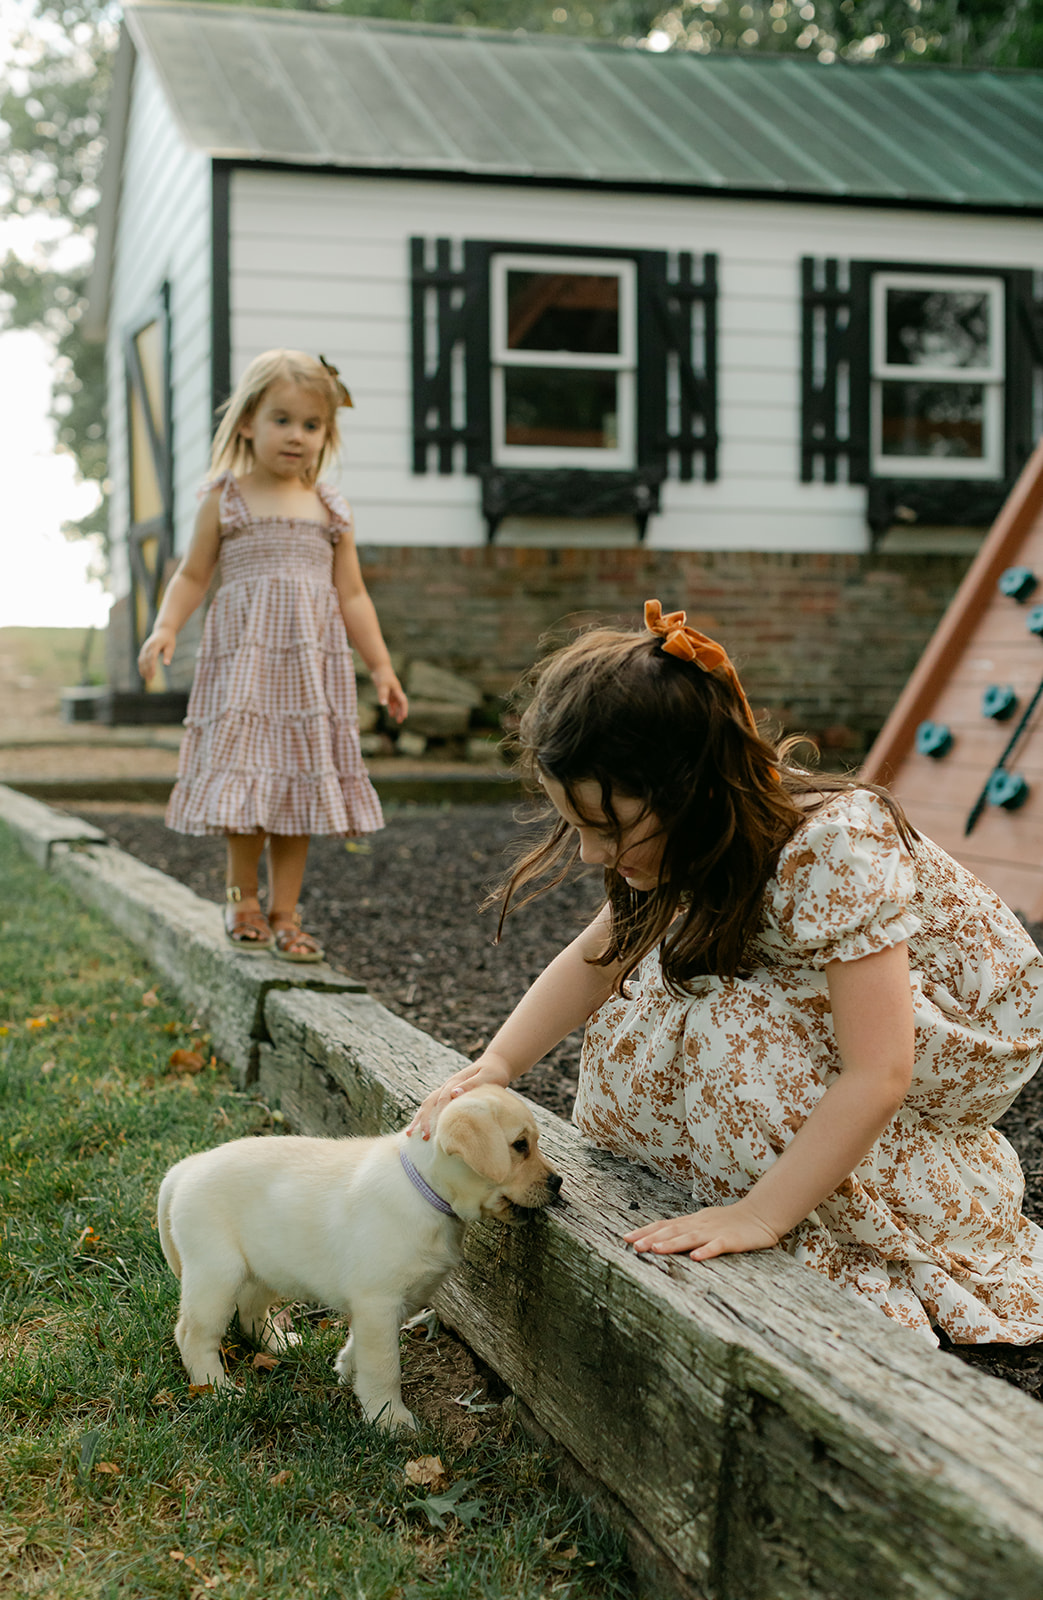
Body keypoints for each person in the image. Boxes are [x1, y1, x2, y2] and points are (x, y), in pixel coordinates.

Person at [409, 600, 1043, 1344]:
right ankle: (760, 1164)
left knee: (722, 1021)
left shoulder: (831, 848)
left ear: (689, 792)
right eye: (575, 828)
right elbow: (596, 956)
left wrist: (761, 1213)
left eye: (602, 829)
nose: (586, 855)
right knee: (658, 995)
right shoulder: (698, 832)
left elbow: (879, 1072)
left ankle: (873, 1185)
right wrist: (496, 1063)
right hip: (839, 998)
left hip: (954, 1030)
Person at [138, 349, 407, 963]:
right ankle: (241, 898)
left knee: (298, 793)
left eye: (312, 426)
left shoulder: (330, 507)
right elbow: (191, 575)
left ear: (327, 435)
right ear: (246, 424)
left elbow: (354, 594)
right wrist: (165, 627)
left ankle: (286, 912)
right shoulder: (224, 498)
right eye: (282, 420)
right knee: (246, 788)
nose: (297, 436)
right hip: (246, 672)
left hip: (310, 675)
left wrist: (382, 667)